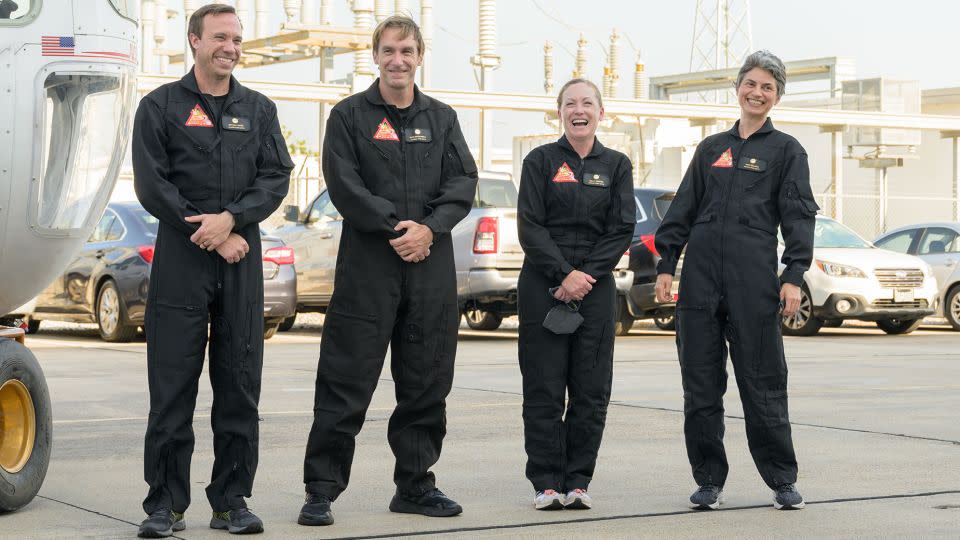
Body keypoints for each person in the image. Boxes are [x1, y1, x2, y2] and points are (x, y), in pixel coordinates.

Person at [298, 15, 478, 527]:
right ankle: (321, 490)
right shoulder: (350, 116)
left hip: (429, 268)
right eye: (388, 50)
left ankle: (416, 486)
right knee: (345, 377)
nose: (398, 60)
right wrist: (395, 228)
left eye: (407, 50)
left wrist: (430, 229)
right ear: (375, 56)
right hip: (368, 269)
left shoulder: (441, 118)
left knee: (426, 380)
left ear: (419, 57)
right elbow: (343, 181)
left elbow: (463, 180)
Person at [132, 4, 293, 537]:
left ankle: (231, 501)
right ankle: (165, 505)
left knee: (240, 386)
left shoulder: (260, 109)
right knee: (172, 388)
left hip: (241, 263)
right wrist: (209, 233)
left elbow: (275, 177)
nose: (230, 46)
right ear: (195, 41)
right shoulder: (159, 107)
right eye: (220, 37)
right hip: (182, 261)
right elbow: (153, 184)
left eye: (237, 39)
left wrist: (233, 221)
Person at [654, 50, 817, 511]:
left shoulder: (786, 151)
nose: (757, 93)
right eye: (751, 83)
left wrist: (793, 275)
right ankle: (708, 480)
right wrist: (667, 263)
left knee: (763, 384)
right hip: (701, 285)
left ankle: (782, 480)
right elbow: (682, 209)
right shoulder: (710, 149)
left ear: (777, 97)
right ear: (738, 88)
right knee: (700, 388)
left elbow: (798, 216)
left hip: (753, 285)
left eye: (768, 87)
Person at [516, 78, 636, 511]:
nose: (578, 110)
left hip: (596, 288)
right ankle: (545, 482)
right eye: (570, 103)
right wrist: (563, 274)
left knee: (590, 389)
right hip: (543, 286)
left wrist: (585, 275)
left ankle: (578, 481)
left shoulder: (618, 165)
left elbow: (621, 228)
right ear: (560, 112)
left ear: (601, 113)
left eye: (587, 103)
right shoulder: (540, 161)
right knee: (544, 388)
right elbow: (530, 226)